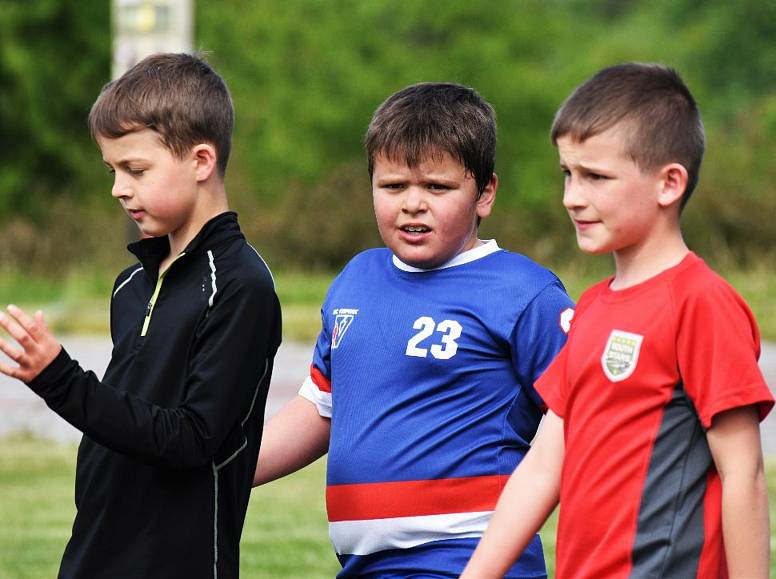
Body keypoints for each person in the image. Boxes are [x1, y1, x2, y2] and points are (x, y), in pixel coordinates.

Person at [461, 63, 776, 579]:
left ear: (669, 183)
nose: (572, 197)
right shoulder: (589, 309)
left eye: (596, 177)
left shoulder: (700, 303)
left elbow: (744, 475)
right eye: (568, 173)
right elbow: (543, 468)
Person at [253, 82, 574, 577]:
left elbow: (581, 418)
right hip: (363, 566)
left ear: (485, 192)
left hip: (468, 559)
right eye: (394, 186)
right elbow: (320, 409)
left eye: (437, 187)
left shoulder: (524, 292)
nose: (413, 204)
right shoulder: (355, 280)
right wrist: (223, 469)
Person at [0, 53, 281, 579]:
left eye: (135, 169)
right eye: (112, 171)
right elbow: (126, 421)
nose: (118, 188)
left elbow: (192, 438)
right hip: (94, 554)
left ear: (201, 161)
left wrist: (60, 380)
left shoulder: (241, 285)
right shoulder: (131, 284)